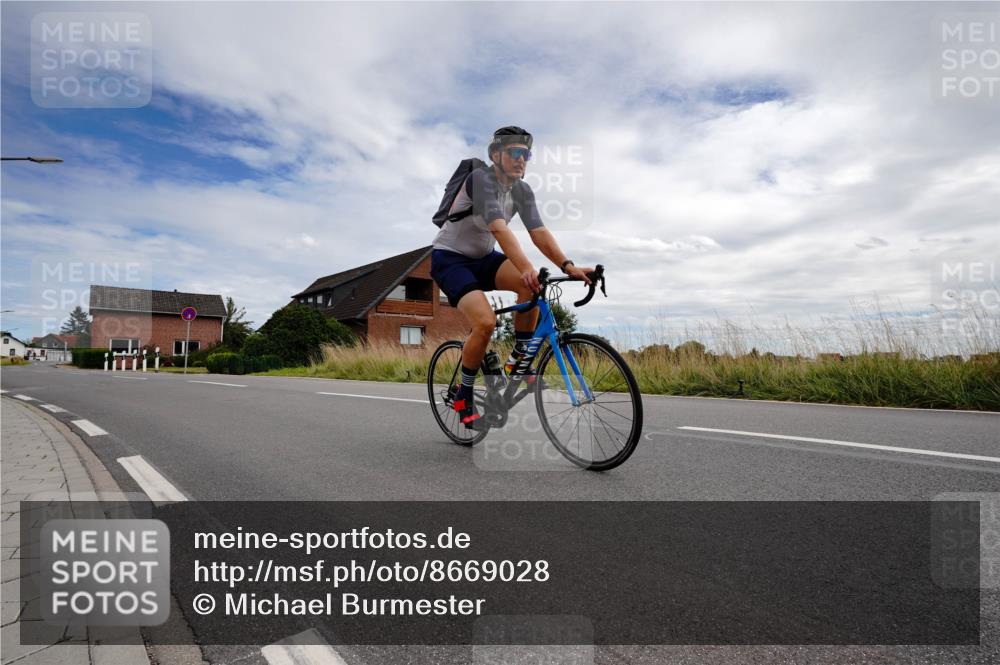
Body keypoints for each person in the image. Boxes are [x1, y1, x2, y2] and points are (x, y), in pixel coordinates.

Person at [430, 126, 593, 428]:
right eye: (514, 152)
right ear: (495, 155)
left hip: (483, 259)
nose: (522, 159)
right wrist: (527, 267)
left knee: (529, 287)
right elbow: (499, 229)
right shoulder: (480, 180)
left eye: (526, 154)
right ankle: (463, 393)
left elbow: (539, 233)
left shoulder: (522, 190)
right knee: (486, 322)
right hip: (450, 259)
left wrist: (568, 266)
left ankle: (519, 359)